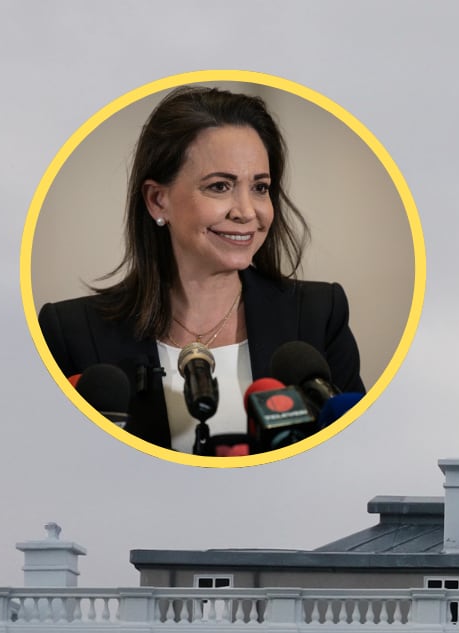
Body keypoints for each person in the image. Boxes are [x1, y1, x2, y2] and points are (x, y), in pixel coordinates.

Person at [38, 85, 364, 454]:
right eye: (220, 186)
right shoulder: (70, 333)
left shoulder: (320, 316)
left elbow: (354, 452)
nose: (246, 211)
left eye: (260, 187)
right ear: (158, 200)